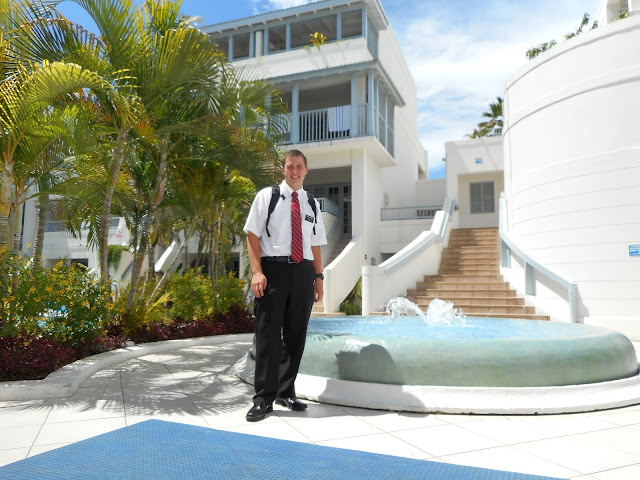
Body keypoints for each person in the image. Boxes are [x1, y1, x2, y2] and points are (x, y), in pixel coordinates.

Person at [243, 149, 327, 422]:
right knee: (268, 335)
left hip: (303, 272)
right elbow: (252, 235)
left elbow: (316, 244)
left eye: (299, 166)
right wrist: (257, 272)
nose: (294, 171)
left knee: (295, 334)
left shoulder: (311, 203)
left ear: (306, 170)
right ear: (283, 169)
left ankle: (285, 391)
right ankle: (263, 399)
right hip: (273, 270)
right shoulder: (267, 197)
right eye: (290, 166)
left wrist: (318, 277)